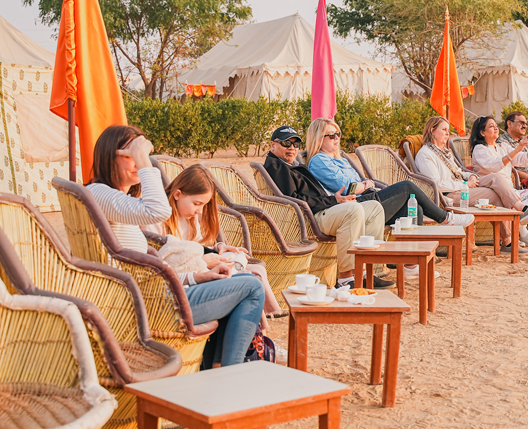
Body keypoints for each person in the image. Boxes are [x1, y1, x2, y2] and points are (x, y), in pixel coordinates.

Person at [86, 125, 265, 367]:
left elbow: (150, 272)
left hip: (154, 295)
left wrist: (198, 277)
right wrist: (144, 161)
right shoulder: (99, 193)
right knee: (252, 288)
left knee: (236, 283)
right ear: (111, 156)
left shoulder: (112, 201)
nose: (140, 163)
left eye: (143, 156)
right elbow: (159, 210)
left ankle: (217, 369)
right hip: (151, 305)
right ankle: (229, 375)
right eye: (132, 156)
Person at [140, 163, 287, 357]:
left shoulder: (190, 219)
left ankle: (254, 345)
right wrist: (206, 263)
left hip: (193, 275)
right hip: (178, 285)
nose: (200, 211)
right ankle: (257, 345)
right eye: (197, 203)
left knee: (244, 275)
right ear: (177, 194)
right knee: (247, 281)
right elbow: (173, 259)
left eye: (203, 205)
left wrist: (217, 249)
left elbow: (193, 248)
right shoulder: (157, 220)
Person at [306, 118, 474, 279]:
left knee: (414, 208)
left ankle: (410, 264)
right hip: (354, 206)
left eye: (338, 134)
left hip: (366, 199)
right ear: (318, 139)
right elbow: (347, 187)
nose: (336, 138)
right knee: (407, 187)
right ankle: (445, 218)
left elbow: (360, 183)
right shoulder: (319, 161)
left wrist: (365, 185)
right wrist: (365, 185)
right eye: (331, 135)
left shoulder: (340, 159)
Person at [262, 125, 394, 290]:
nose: (291, 148)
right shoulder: (276, 167)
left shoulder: (289, 165)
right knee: (354, 210)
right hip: (311, 217)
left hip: (323, 208)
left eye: (295, 144)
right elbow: (295, 200)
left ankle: (366, 272)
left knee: (374, 207)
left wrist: (334, 199)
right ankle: (345, 279)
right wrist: (333, 201)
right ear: (272, 145)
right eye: (286, 143)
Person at [416, 116, 526, 253]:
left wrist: (471, 176)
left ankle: (519, 211)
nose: (447, 133)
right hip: (447, 195)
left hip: (460, 185)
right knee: (495, 195)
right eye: (443, 130)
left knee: (496, 178)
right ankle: (508, 239)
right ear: (432, 131)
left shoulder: (445, 153)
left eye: (448, 130)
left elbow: (459, 171)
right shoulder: (426, 154)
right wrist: (465, 185)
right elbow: (436, 184)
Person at [468, 116, 528, 252]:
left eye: (495, 125)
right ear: (482, 132)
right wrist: (517, 148)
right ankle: (521, 222)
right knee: (500, 186)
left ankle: (514, 236)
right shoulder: (479, 149)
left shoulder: (502, 146)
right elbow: (495, 166)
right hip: (486, 186)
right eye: (491, 126)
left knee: (527, 193)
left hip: (505, 190)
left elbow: (522, 161)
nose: (495, 128)